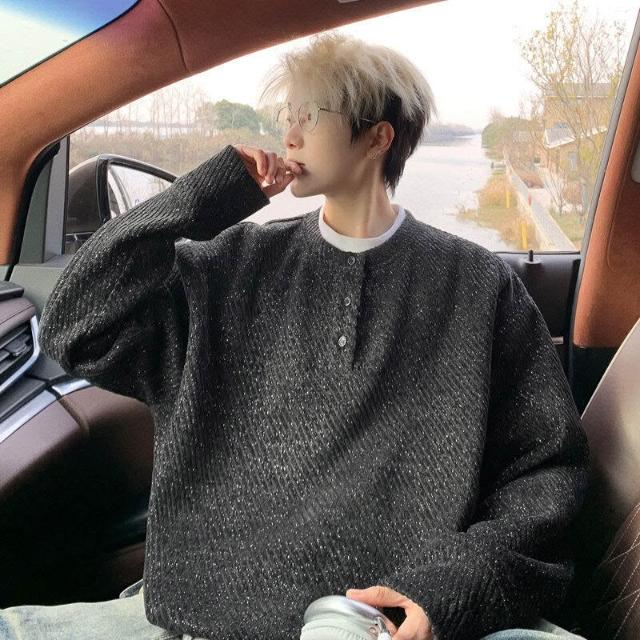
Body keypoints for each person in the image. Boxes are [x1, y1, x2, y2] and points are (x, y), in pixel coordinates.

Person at [1, 30, 590, 640]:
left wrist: (456, 590)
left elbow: (544, 472)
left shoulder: (477, 285)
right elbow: (77, 325)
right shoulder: (231, 266)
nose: (289, 135)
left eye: (312, 115)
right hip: (210, 618)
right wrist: (208, 195)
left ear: (378, 138)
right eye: (288, 115)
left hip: (393, 622)